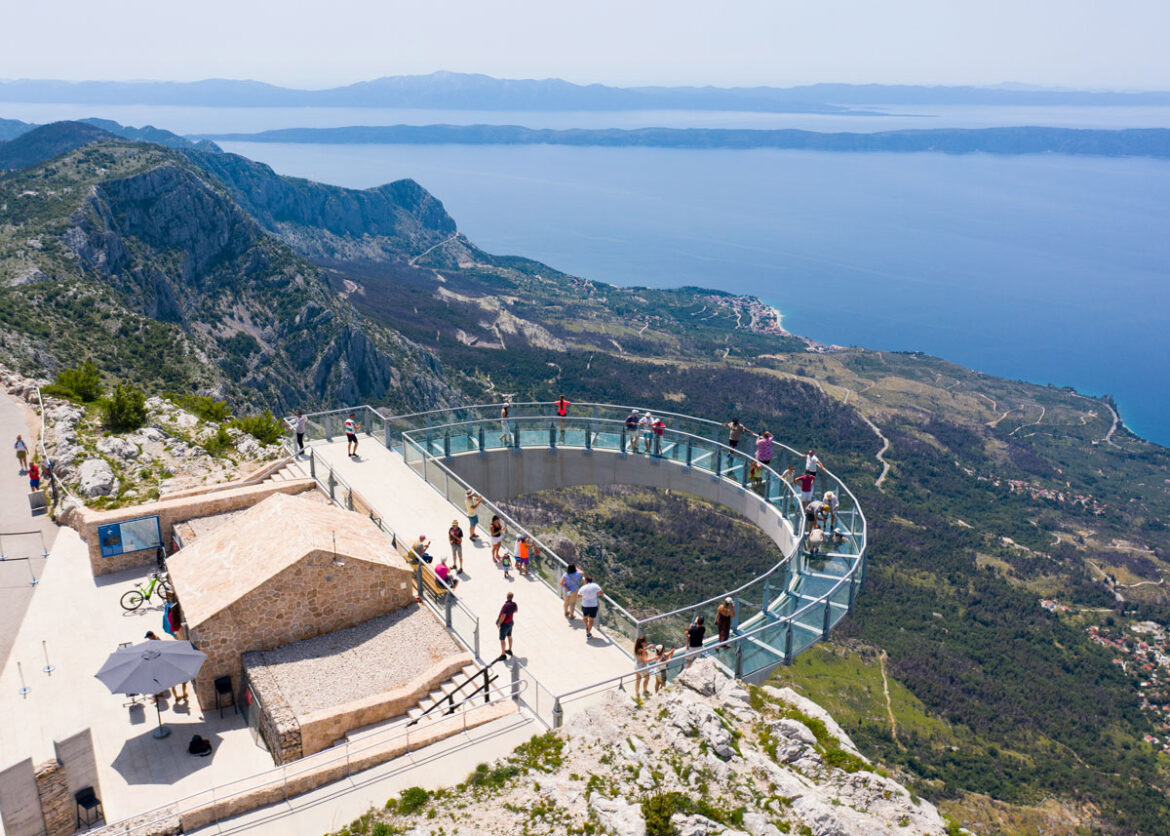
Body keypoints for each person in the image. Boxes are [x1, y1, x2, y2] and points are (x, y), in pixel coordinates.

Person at [579, 576, 602, 640]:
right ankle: (588, 633)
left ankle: (586, 627)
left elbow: (578, 596)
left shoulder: (583, 587)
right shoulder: (595, 586)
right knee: (591, 619)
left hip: (585, 605)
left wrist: (584, 595)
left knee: (585, 617)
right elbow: (601, 593)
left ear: (586, 581)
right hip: (593, 605)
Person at [497, 592, 517, 658]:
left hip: (505, 624)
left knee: (502, 639)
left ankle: (503, 655)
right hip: (511, 622)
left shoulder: (506, 606)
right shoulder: (514, 604)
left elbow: (503, 615)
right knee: (509, 636)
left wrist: (499, 623)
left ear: (507, 597)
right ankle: (510, 650)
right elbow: (516, 611)